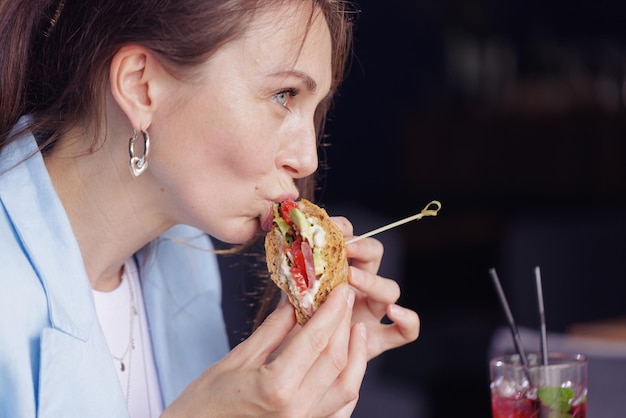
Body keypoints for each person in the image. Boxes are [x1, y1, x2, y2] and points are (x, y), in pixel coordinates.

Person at [0, 0, 421, 417]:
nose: (307, 158)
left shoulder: (184, 257)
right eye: (283, 95)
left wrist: (307, 375)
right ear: (140, 86)